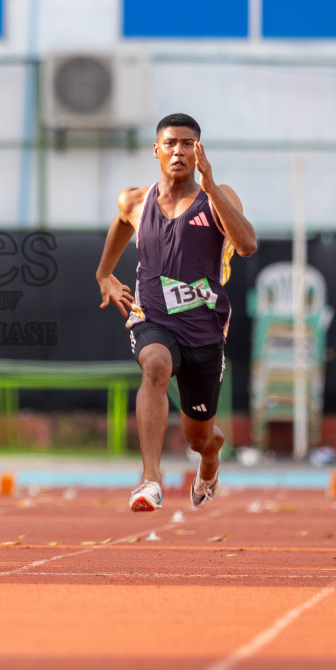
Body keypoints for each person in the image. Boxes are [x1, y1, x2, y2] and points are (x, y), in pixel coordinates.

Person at [95, 113, 256, 513]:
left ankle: (211, 457)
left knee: (198, 437)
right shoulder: (136, 200)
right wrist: (104, 275)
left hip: (204, 329)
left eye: (187, 144)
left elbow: (247, 245)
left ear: (198, 151)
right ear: (157, 150)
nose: (178, 151)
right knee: (155, 366)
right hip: (153, 318)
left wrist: (211, 186)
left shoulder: (218, 197)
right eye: (170, 143)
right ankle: (150, 480)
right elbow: (121, 222)